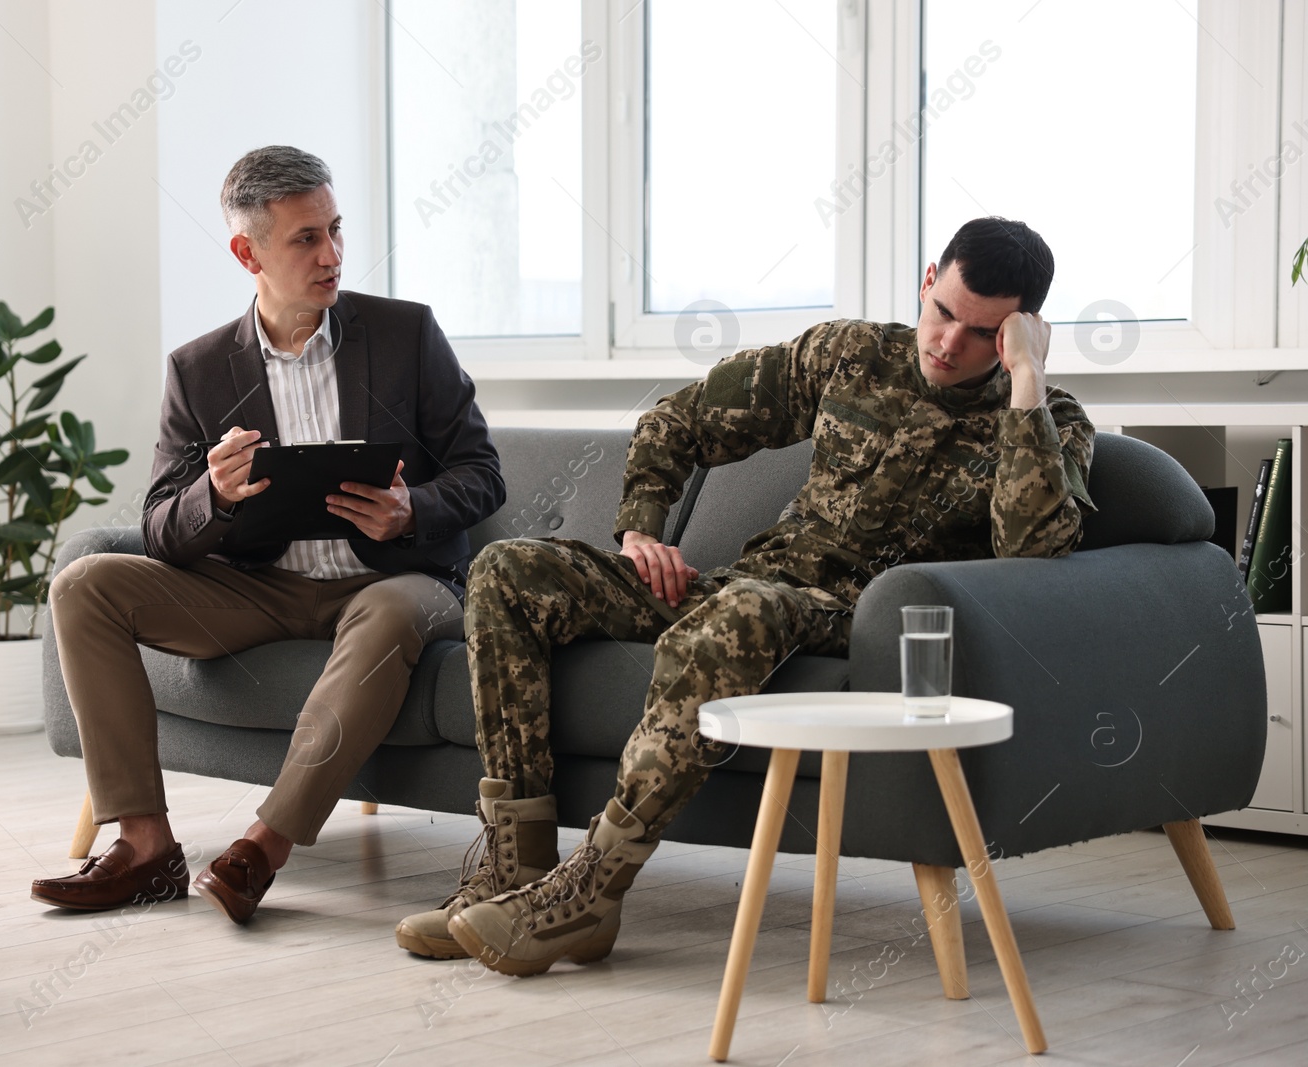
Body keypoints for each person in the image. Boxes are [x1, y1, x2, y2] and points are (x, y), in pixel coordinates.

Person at [395, 217, 1096, 974]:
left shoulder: (1048, 423)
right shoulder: (851, 354)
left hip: (846, 615)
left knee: (742, 613)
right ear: (927, 280)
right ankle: (516, 874)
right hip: (750, 581)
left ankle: (589, 894)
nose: (948, 342)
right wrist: (639, 532)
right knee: (506, 572)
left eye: (983, 333)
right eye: (943, 312)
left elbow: (1033, 548)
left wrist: (1025, 383)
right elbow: (679, 419)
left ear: (1022, 332)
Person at [32, 145, 504, 924]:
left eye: (335, 230)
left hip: (389, 581)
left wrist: (412, 506)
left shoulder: (406, 335)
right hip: (255, 586)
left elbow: (481, 470)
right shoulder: (200, 369)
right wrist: (211, 496)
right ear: (246, 252)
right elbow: (159, 525)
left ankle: (263, 846)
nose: (333, 255)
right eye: (306, 239)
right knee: (83, 583)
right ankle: (146, 847)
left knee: (389, 615)